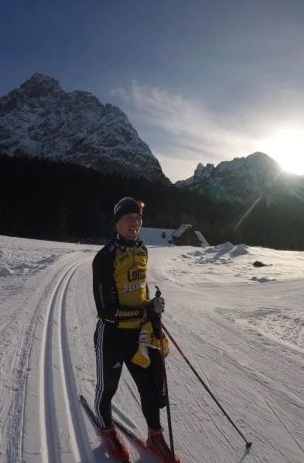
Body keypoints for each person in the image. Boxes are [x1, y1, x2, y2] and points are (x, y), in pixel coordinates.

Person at [92, 197, 180, 463]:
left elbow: (140, 289)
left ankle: (155, 435)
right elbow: (106, 310)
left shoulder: (142, 250)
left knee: (151, 389)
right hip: (112, 336)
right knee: (107, 389)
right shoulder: (105, 258)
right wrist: (144, 312)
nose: (135, 222)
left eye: (139, 218)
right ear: (117, 222)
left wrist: (152, 305)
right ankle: (108, 430)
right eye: (129, 218)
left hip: (139, 335)